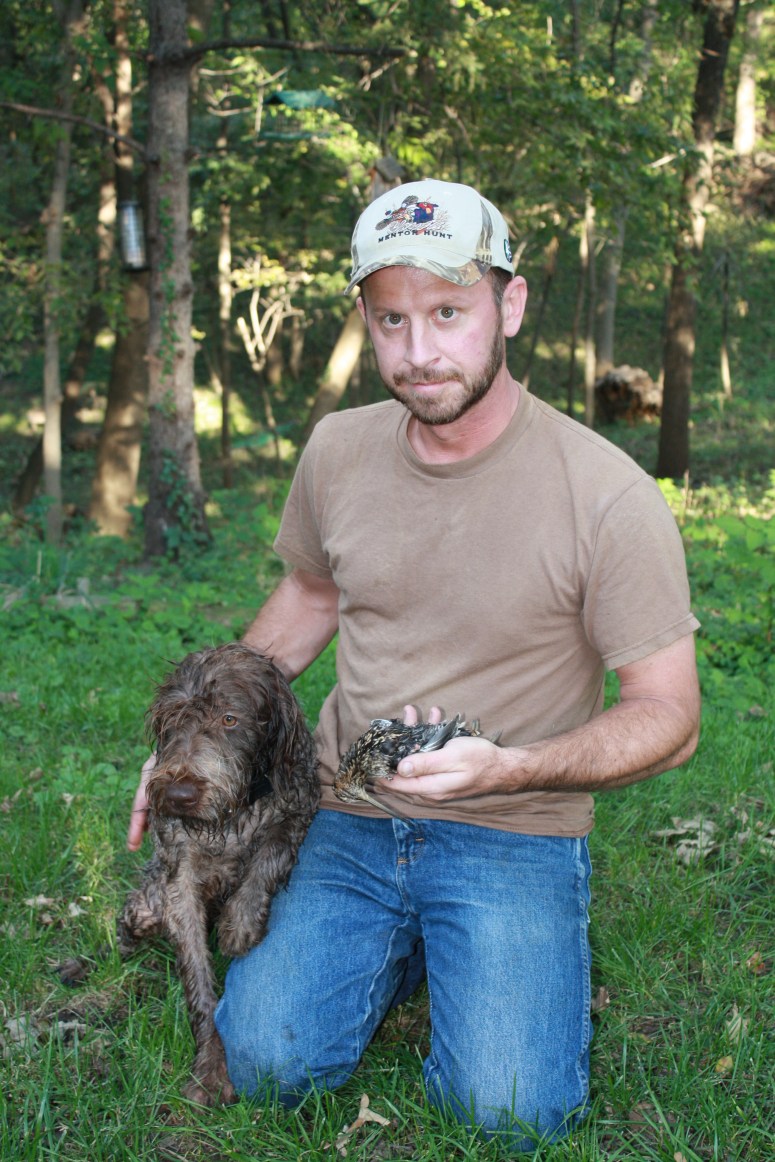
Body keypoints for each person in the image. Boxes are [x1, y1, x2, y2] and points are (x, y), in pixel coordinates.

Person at [128, 179, 701, 1151]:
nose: (419, 350)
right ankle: (395, 949)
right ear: (365, 317)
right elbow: (309, 598)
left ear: (508, 305)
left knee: (510, 1111)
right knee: (264, 1062)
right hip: (346, 815)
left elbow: (668, 713)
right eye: (391, 319)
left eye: (447, 312)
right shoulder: (340, 451)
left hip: (512, 829)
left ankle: (459, 944)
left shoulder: (606, 492)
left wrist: (512, 766)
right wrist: (195, 742)